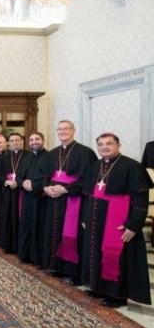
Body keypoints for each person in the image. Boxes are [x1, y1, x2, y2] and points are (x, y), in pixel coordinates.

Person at [81, 133, 152, 307]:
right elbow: (87, 196)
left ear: (118, 145)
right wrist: (85, 218)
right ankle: (98, 287)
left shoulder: (132, 166)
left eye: (109, 144)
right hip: (96, 219)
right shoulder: (94, 166)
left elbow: (141, 199)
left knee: (117, 256)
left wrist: (134, 224)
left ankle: (117, 295)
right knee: (96, 252)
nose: (104, 147)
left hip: (118, 220)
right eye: (101, 144)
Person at [40, 120, 97, 283]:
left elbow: (89, 178)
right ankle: (56, 266)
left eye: (66, 129)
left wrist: (66, 189)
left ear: (74, 130)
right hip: (53, 199)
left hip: (74, 199)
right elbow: (45, 175)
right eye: (60, 129)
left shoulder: (85, 152)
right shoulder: (52, 153)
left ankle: (73, 273)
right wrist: (45, 188)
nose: (62, 132)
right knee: (54, 230)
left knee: (72, 234)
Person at [18, 132, 48, 264]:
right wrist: (22, 183)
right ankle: (25, 254)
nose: (34, 142)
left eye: (37, 139)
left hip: (41, 198)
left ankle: (38, 258)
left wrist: (34, 186)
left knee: (38, 226)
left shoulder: (49, 157)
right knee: (26, 224)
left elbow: (48, 177)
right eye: (31, 140)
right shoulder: (26, 157)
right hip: (27, 196)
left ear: (43, 141)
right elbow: (19, 176)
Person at [0, 133, 28, 253]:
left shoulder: (29, 156)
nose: (15, 142)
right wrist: (7, 181)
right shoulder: (5, 157)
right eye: (12, 140)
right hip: (8, 192)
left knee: (21, 218)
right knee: (8, 217)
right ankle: (8, 245)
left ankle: (20, 246)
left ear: (22, 141)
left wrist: (18, 182)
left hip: (22, 193)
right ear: (9, 143)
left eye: (17, 140)